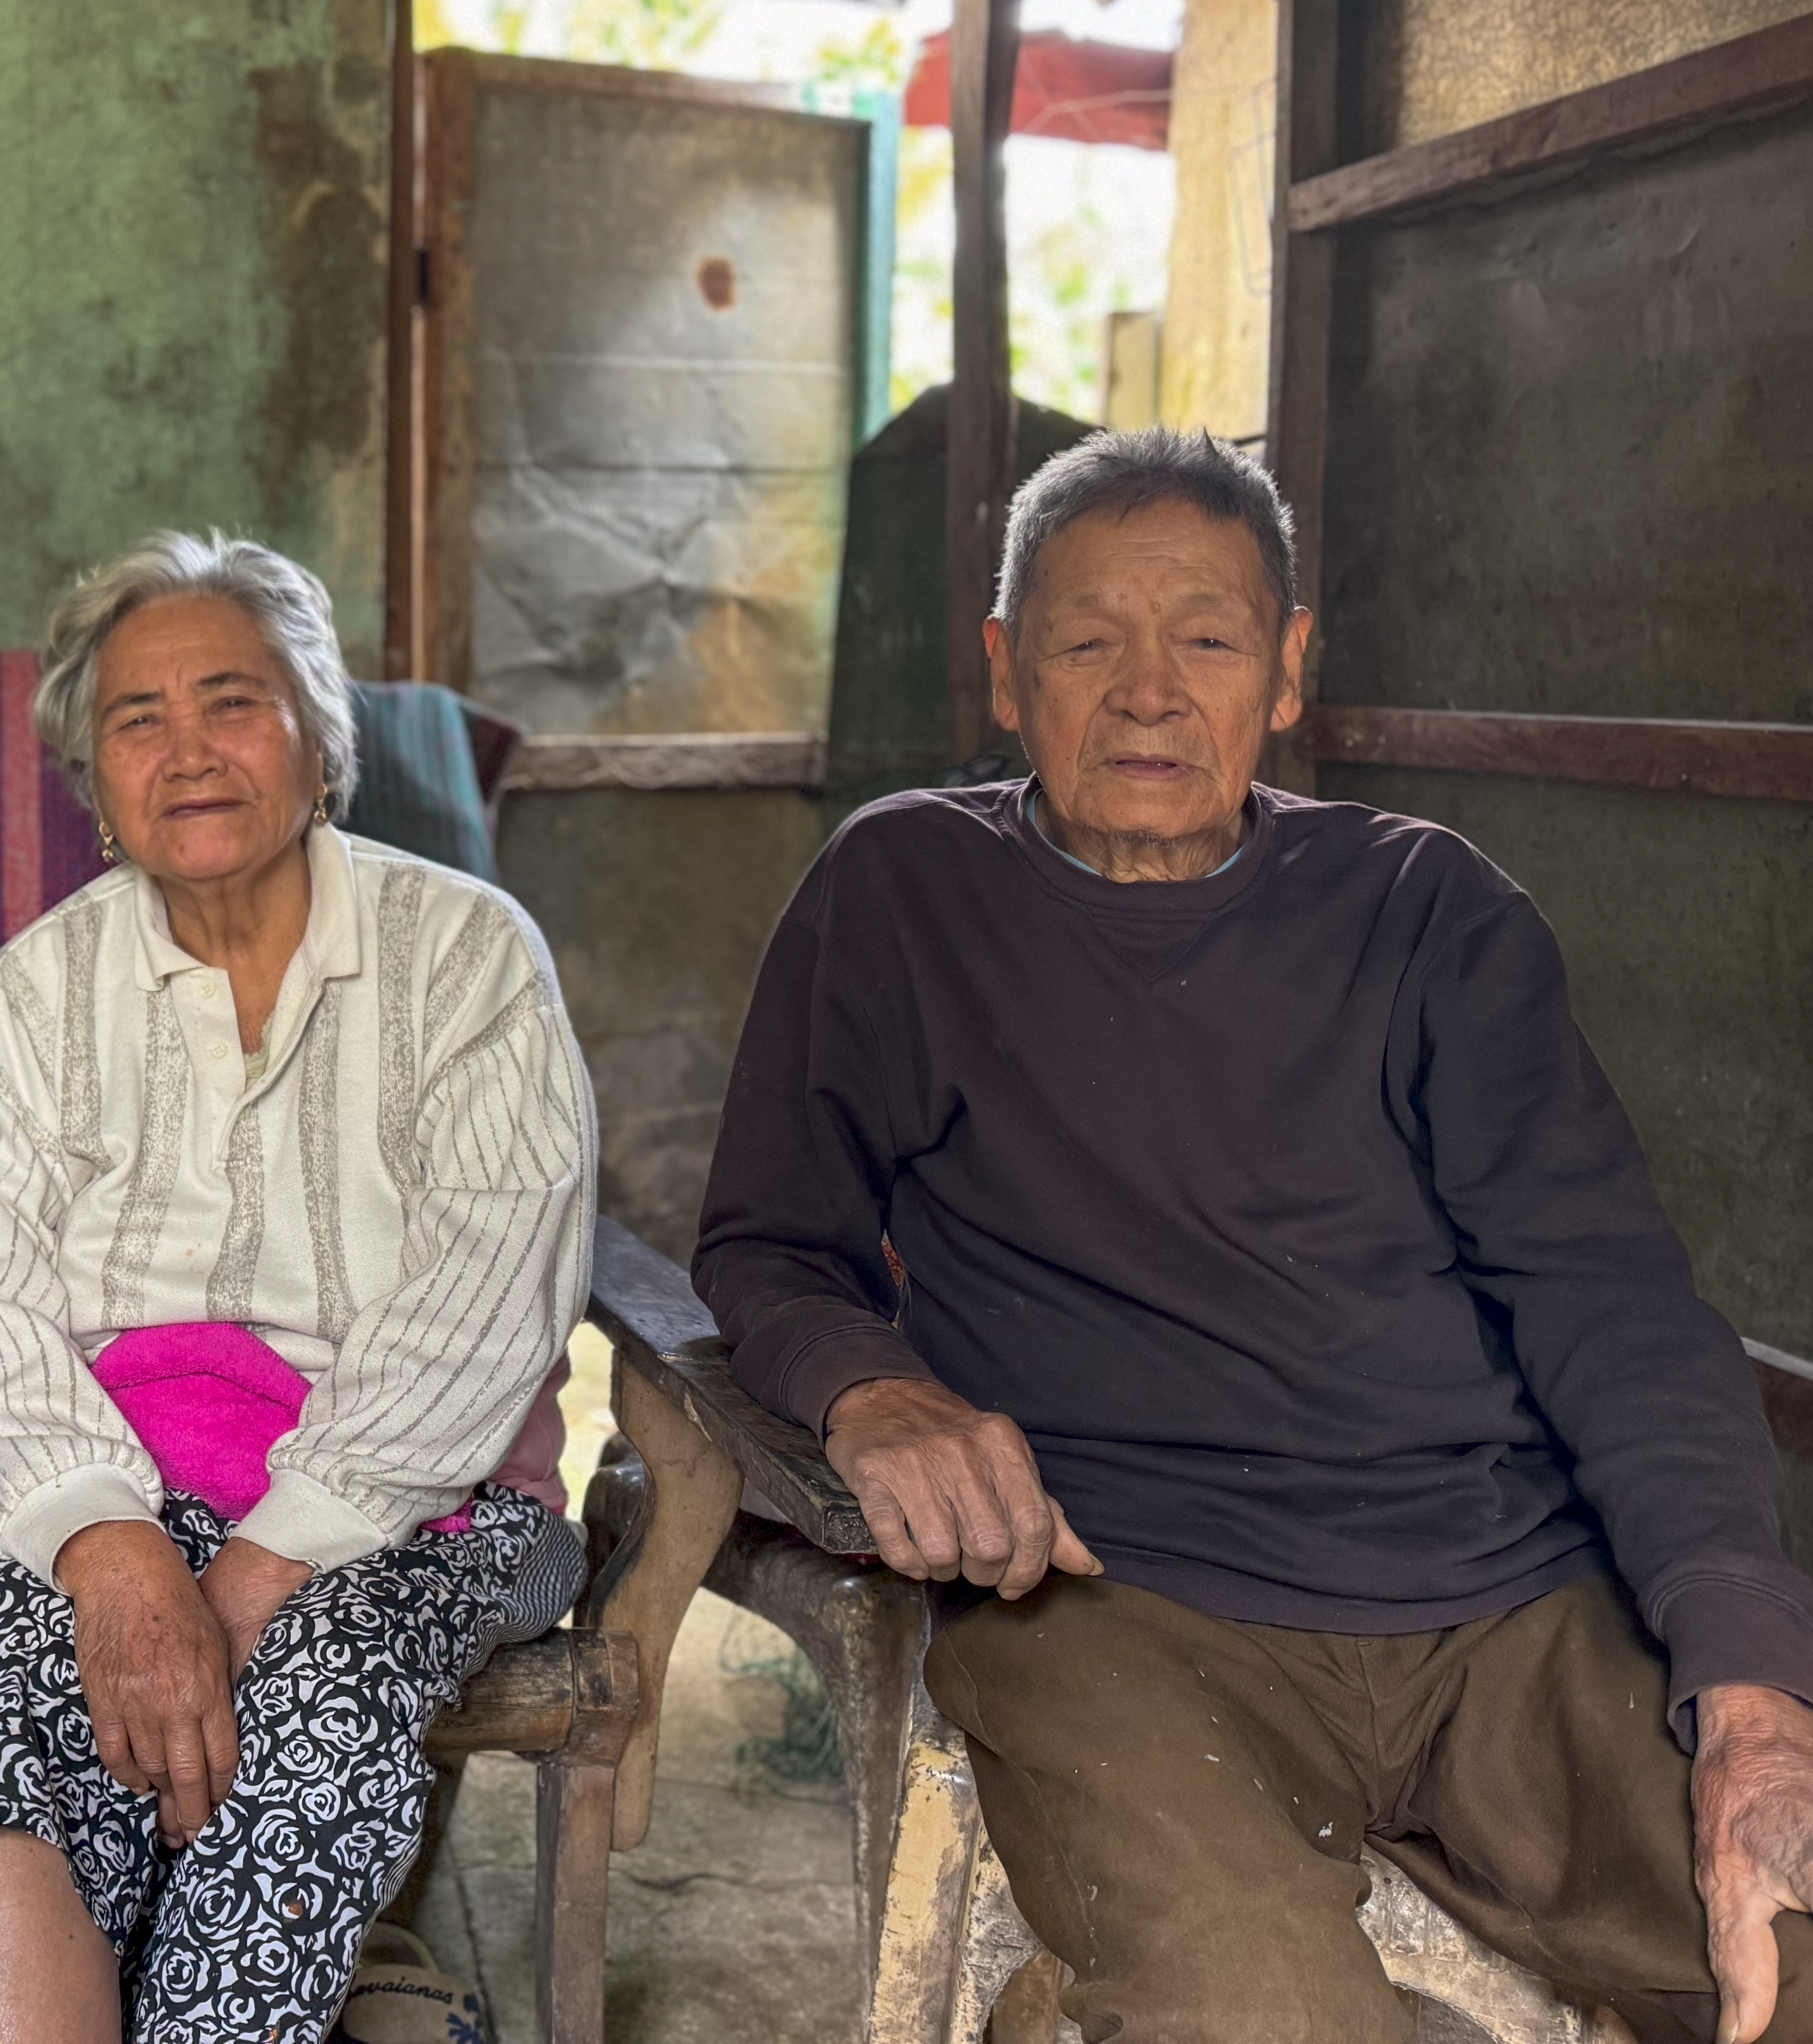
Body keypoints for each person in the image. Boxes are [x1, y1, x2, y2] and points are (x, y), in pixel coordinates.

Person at [695, 427, 1813, 2044]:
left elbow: (1615, 1306)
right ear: (1005, 671)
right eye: (1088, 643)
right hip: (1115, 1604)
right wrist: (873, 1392)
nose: (1148, 695)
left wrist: (1751, 1689)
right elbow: (766, 1242)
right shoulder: (902, 890)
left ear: (1286, 670)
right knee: (1263, 2016)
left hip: (1503, 1596)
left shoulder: (1428, 912)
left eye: (1208, 641)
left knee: (1785, 1934)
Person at [0, 532, 593, 2043]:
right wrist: (116, 1559)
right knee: (23, 1673)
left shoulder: (465, 958)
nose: (187, 751)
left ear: (320, 743)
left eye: (233, 702)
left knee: (323, 1688)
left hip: (424, 1500)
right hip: (104, 1481)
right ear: (94, 779)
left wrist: (261, 1569)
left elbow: (487, 1302)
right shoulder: (35, 998)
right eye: (138, 718)